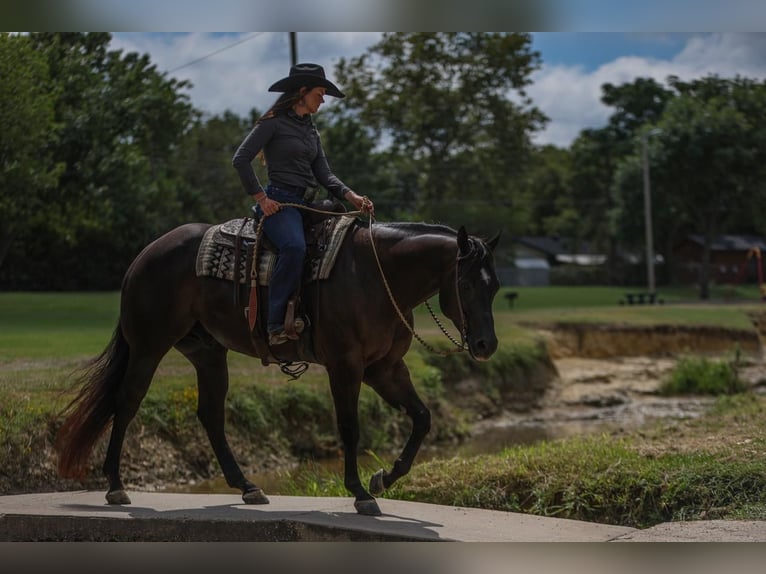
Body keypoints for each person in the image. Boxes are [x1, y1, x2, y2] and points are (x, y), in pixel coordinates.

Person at [232, 62, 374, 346]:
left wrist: (352, 196)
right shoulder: (272, 123)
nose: (323, 99)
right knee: (294, 247)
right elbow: (240, 159)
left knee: (346, 236)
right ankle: (275, 324)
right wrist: (262, 198)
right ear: (302, 92)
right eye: (320, 93)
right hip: (279, 203)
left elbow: (324, 173)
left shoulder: (311, 131)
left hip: (307, 203)